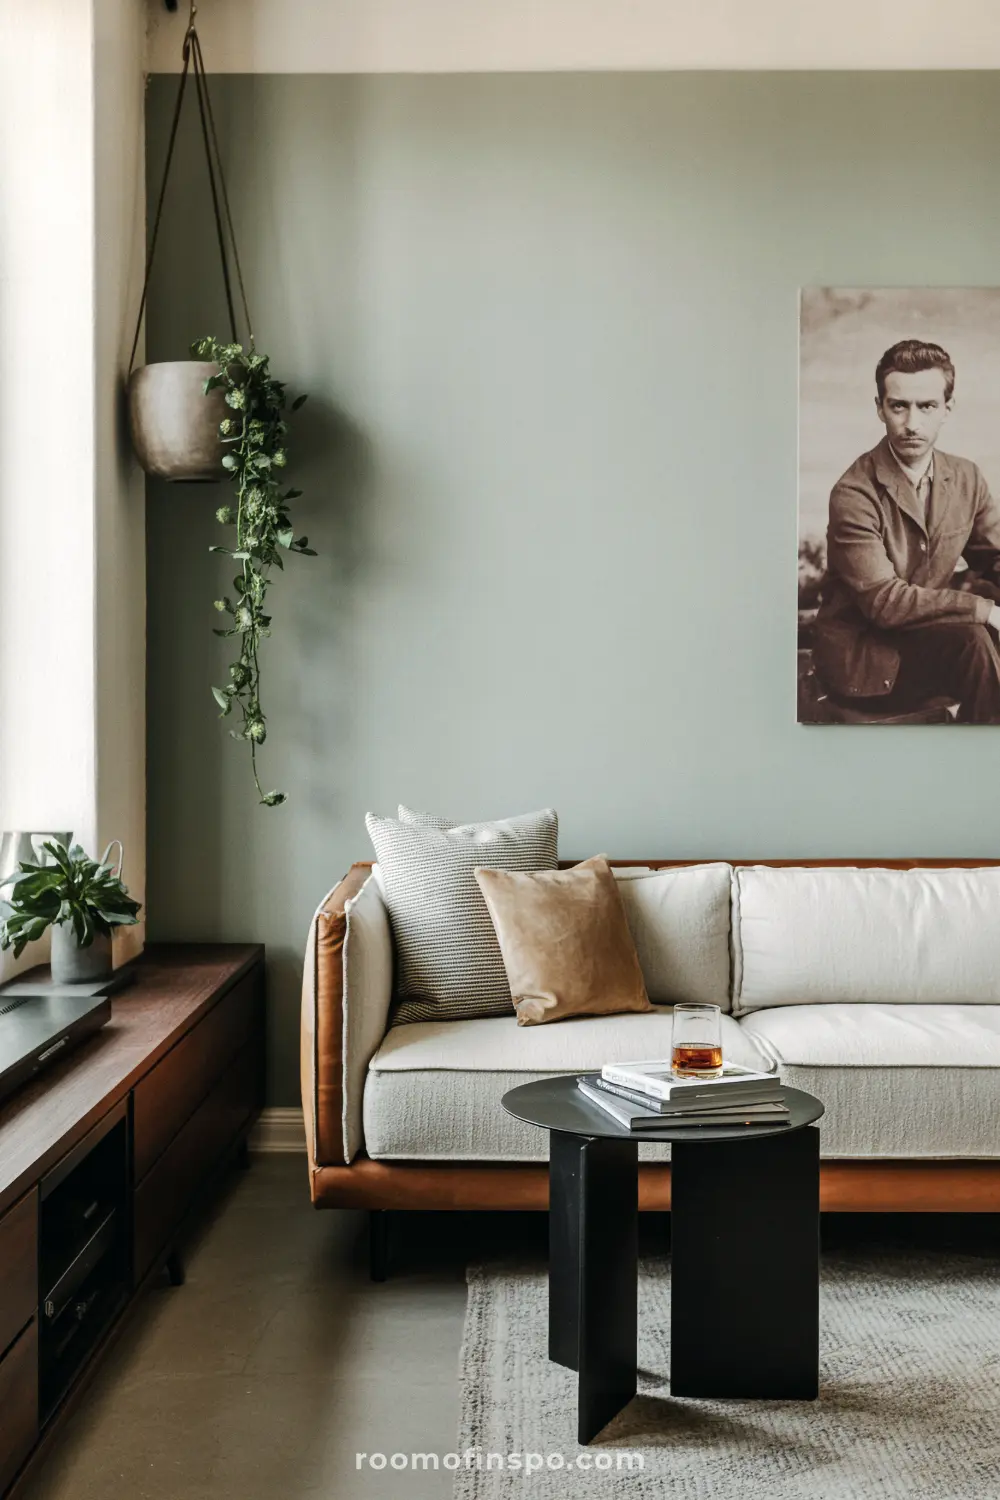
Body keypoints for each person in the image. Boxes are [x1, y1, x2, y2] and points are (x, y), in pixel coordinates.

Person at [813, 338, 1000, 723]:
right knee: (975, 640)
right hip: (864, 659)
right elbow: (885, 602)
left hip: (926, 639)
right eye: (899, 406)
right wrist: (984, 610)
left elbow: (995, 556)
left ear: (947, 409)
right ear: (880, 408)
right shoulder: (853, 492)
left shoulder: (966, 477)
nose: (912, 424)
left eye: (927, 406)